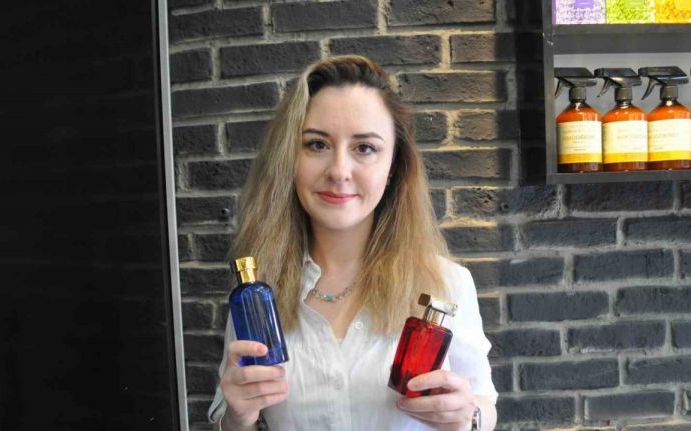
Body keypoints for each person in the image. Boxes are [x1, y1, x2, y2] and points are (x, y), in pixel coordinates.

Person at [208, 55, 498, 431]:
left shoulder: (447, 284)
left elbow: (483, 402)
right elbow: (231, 416)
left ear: (393, 167)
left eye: (364, 148)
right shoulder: (257, 294)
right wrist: (237, 417)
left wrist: (468, 417)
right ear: (289, 159)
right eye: (316, 145)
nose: (339, 171)